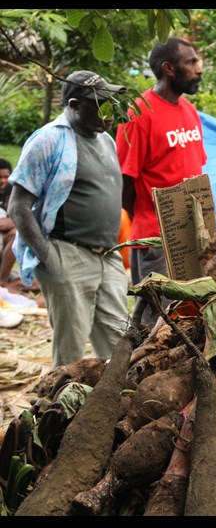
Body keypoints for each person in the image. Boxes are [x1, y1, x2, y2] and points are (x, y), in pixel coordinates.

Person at [8, 71, 129, 366]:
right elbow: (18, 206)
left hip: (108, 256)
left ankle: (113, 407)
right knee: (71, 354)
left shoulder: (106, 141)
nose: (109, 109)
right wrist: (49, 258)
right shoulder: (48, 141)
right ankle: (58, 409)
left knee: (120, 346)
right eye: (100, 103)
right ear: (74, 105)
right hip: (68, 255)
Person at [116, 37, 206, 288]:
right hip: (155, 243)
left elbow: (194, 169)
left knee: (189, 318)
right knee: (156, 321)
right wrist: (149, 219)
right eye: (190, 62)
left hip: (192, 236)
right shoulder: (138, 114)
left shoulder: (190, 111)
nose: (198, 69)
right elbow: (124, 181)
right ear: (169, 68)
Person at [0, 158, 18, 286]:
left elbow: (16, 217)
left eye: (6, 177)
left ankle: (2, 281)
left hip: (4, 231)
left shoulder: (12, 188)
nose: (2, 181)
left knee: (17, 234)